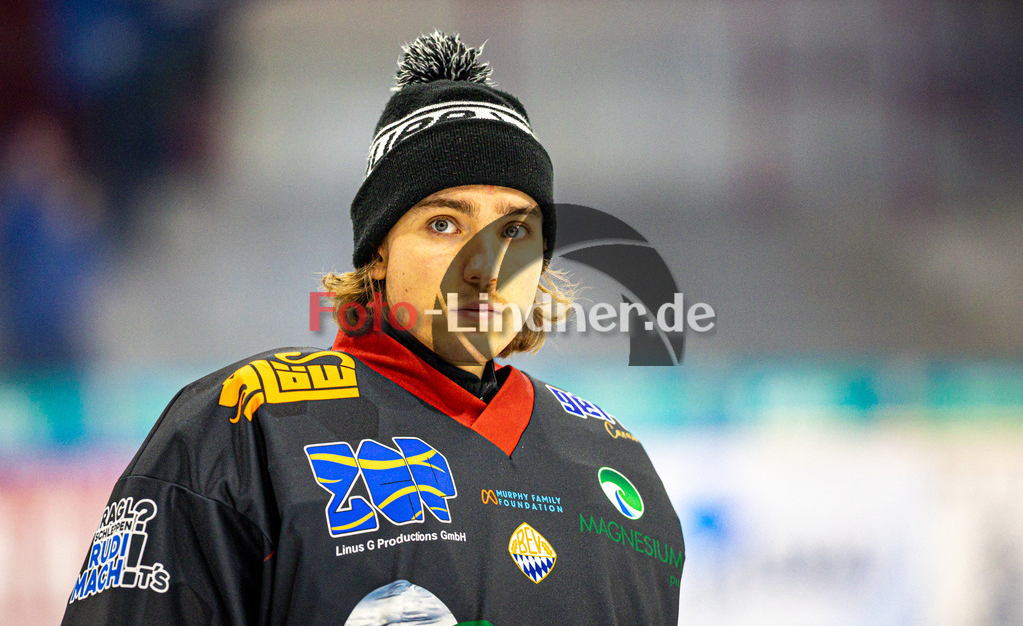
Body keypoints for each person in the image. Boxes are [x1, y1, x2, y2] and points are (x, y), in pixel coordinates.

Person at [62, 31, 684, 625]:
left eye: (516, 229)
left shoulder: (616, 463)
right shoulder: (239, 426)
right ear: (378, 252)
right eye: (444, 223)